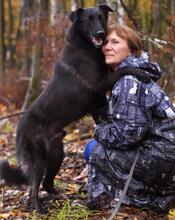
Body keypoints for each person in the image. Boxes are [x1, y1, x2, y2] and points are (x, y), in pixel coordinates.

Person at [86, 22, 175, 214]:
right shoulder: (132, 73)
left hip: (162, 158)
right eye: (106, 42)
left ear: (131, 49)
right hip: (165, 155)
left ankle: (149, 199)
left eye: (116, 42)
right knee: (97, 149)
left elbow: (128, 136)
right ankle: (157, 192)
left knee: (94, 150)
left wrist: (98, 131)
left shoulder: (128, 81)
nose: (108, 46)